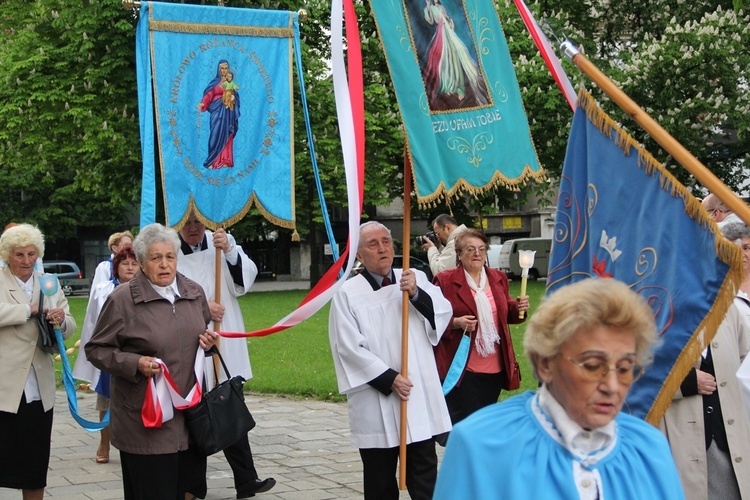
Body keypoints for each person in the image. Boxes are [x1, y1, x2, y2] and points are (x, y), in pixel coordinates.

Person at [434, 278, 685, 499]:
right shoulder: (480, 444)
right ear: (546, 364)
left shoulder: (649, 448)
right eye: (593, 366)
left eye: (624, 368)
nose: (611, 386)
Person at [85, 223, 218, 500]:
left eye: (170, 257)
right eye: (156, 258)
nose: (164, 265)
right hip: (145, 422)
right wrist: (135, 363)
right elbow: (96, 349)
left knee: (190, 491)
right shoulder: (122, 300)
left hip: (190, 418)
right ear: (142, 262)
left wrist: (207, 342)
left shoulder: (194, 292)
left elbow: (198, 333)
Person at [329, 221, 453, 500]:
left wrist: (417, 295)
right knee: (380, 480)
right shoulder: (347, 293)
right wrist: (389, 378)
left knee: (424, 474)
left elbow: (443, 315)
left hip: (416, 396)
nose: (382, 249)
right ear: (359, 255)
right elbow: (348, 347)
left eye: (386, 241)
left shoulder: (414, 278)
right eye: (372, 244)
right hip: (378, 397)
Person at [177, 212, 275, 498]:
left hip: (224, 335)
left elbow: (243, 283)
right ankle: (194, 487)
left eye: (198, 223)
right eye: (187, 223)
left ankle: (246, 479)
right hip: (191, 337)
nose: (193, 229)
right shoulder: (170, 250)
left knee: (230, 408)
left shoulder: (220, 243)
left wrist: (230, 251)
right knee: (195, 415)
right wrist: (203, 307)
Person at [659, 222, 750, 500]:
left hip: (731, 442)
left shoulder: (729, 307)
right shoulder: (652, 312)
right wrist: (683, 382)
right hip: (679, 444)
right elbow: (631, 373)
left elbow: (746, 363)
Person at [0, 223, 76, 500]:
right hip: (4, 388)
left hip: (38, 388)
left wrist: (60, 320)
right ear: (7, 255)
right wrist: (28, 310)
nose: (26, 260)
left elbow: (70, 324)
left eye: (31, 254)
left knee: (35, 464)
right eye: (19, 254)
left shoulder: (49, 282)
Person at [433, 229, 529, 426]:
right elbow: (431, 320)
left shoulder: (497, 278)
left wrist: (517, 307)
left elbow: (504, 312)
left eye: (481, 249)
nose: (477, 254)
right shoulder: (445, 281)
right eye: (470, 249)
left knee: (487, 424)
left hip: (495, 367)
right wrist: (456, 323)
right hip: (464, 367)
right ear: (459, 254)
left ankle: (481, 457)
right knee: (467, 425)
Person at [73, 244, 139, 464]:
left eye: (134, 263)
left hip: (137, 353)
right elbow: (93, 321)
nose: (130, 268)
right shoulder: (104, 289)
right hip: (111, 353)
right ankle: (104, 442)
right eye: (125, 263)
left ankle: (134, 444)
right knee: (106, 400)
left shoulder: (147, 288)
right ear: (116, 267)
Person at [421, 0, 488, 109]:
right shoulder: (432, 9)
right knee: (445, 57)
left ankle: (460, 86)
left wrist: (448, 21)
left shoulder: (442, 8)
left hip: (449, 31)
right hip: (441, 34)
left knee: (459, 51)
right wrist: (428, 7)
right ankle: (451, 86)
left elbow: (448, 19)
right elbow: (430, 21)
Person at [198, 59, 240, 170]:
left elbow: (235, 94)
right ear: (218, 69)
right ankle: (212, 161)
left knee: (227, 135)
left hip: (228, 113)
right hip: (216, 112)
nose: (224, 70)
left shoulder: (231, 83)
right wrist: (203, 103)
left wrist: (234, 98)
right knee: (215, 135)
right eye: (222, 68)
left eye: (226, 68)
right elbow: (209, 95)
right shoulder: (215, 83)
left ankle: (226, 160)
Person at [89, 230, 134, 298]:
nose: (129, 248)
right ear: (114, 248)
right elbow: (99, 295)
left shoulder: (136, 265)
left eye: (131, 245)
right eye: (126, 245)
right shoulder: (105, 267)